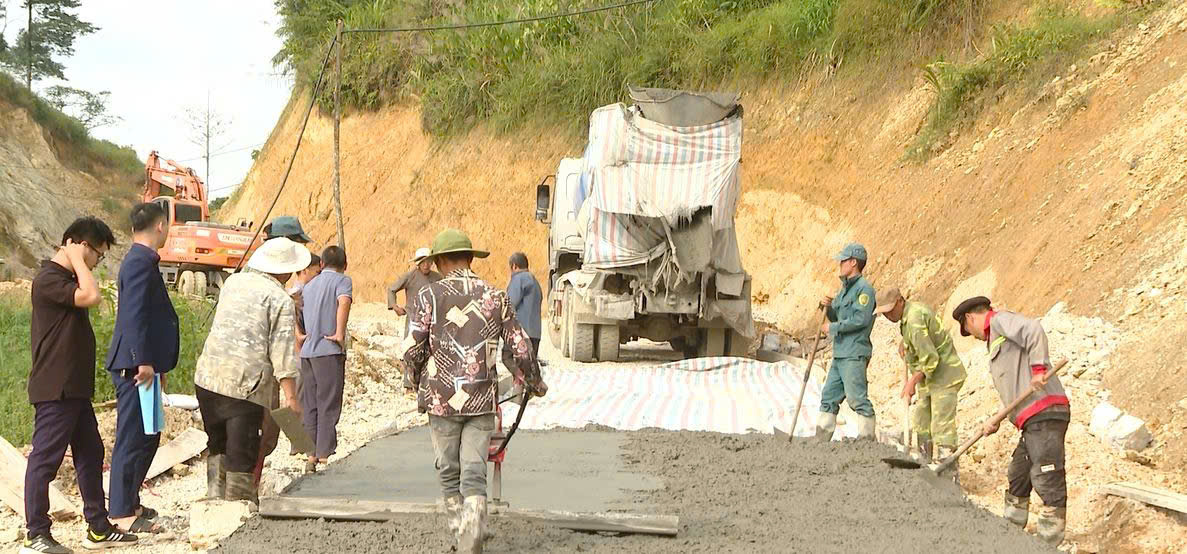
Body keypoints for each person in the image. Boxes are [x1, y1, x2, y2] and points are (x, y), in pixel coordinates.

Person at [404, 229, 548, 553]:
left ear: (439, 262)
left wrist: (413, 379)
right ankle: (473, 526)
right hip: (482, 398)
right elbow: (521, 348)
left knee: (447, 468)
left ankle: (461, 530)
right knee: (474, 469)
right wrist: (535, 382)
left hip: (441, 399)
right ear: (470, 258)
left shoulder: (428, 297)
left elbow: (414, 347)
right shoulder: (495, 296)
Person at [22, 217, 138, 554]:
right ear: (79, 245)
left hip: (73, 389)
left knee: (91, 452)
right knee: (44, 460)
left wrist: (77, 261)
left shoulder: (65, 278)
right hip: (55, 388)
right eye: (97, 255)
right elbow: (91, 296)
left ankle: (98, 528)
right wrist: (74, 257)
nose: (97, 263)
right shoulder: (48, 279)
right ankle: (36, 534)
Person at [194, 238, 307, 503]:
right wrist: (291, 399)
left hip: (208, 378)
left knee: (218, 446)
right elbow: (282, 355)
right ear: (285, 270)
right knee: (241, 454)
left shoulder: (233, 282)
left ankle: (214, 504)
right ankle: (237, 513)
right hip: (245, 385)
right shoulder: (280, 299)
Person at [953, 296, 1069, 545]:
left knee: (1046, 475)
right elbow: (1014, 385)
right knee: (1018, 476)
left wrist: (1039, 370)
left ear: (970, 319)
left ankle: (1049, 541)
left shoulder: (1000, 321)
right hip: (1030, 418)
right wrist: (999, 418)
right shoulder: (997, 338)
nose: (974, 336)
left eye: (969, 330)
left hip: (1045, 411)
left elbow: (1033, 329)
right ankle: (1010, 535)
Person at [104, 203, 178, 534]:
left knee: (149, 435)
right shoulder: (137, 262)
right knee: (132, 438)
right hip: (135, 369)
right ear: (161, 225)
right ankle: (120, 513)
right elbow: (133, 315)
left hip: (145, 368)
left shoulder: (143, 261)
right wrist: (143, 361)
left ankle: (130, 501)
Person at [874, 288, 966, 468]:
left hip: (944, 376)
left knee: (941, 426)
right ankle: (924, 465)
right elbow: (923, 337)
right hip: (931, 379)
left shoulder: (914, 319)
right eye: (883, 313)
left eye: (890, 310)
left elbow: (931, 359)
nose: (888, 316)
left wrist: (912, 382)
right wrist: (906, 342)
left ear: (900, 301)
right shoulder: (909, 316)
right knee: (922, 422)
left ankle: (947, 472)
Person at [815, 243, 877, 440]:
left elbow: (860, 319)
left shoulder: (864, 290)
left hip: (854, 353)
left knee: (857, 398)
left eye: (843, 261)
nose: (840, 264)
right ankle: (821, 438)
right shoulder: (844, 290)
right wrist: (827, 307)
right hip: (841, 353)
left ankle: (866, 440)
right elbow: (839, 317)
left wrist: (832, 328)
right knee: (829, 396)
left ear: (853, 262)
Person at [299, 245, 353, 473]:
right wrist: (339, 333)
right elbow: (344, 302)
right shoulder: (343, 280)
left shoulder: (308, 286)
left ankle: (309, 453)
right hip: (328, 351)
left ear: (321, 264)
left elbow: (295, 309)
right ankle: (323, 454)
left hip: (307, 353)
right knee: (328, 402)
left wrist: (299, 337)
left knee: (310, 403)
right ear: (345, 265)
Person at [388, 247, 441, 390]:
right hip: (413, 319)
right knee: (410, 350)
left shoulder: (438, 278)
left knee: (431, 350)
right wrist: (394, 306)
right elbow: (391, 289)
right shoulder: (409, 276)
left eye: (428, 261)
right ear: (417, 263)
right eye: (422, 262)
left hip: (433, 320)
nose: (426, 265)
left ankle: (428, 383)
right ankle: (408, 384)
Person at [506, 252, 543, 358]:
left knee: (508, 358)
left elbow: (510, 304)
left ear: (514, 266)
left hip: (521, 333)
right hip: (535, 333)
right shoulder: (534, 281)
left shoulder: (519, 279)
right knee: (530, 367)